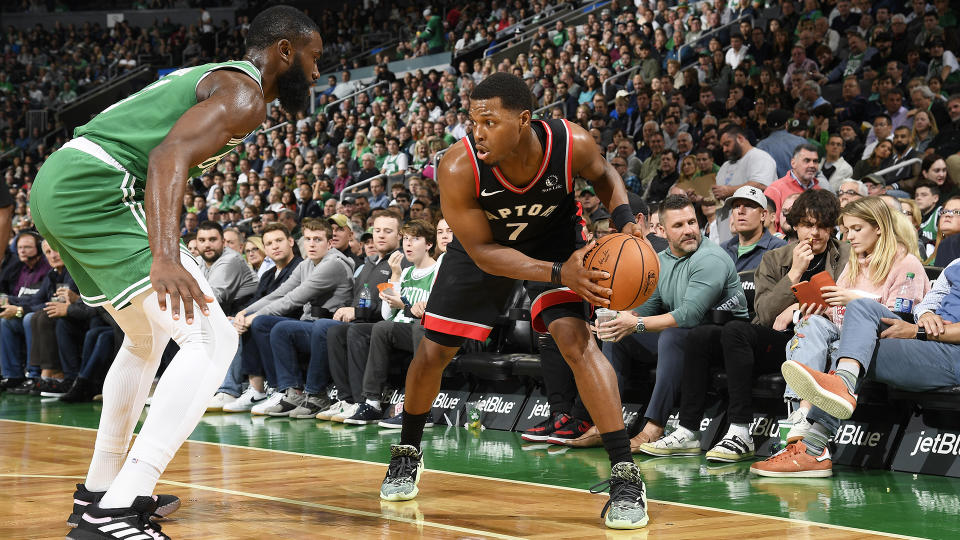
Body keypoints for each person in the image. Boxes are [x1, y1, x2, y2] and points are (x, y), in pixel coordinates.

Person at [30, 7, 323, 538]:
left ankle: (101, 489)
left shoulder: (223, 81)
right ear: (286, 51)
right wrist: (164, 256)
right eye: (314, 58)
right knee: (212, 340)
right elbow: (168, 158)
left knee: (144, 339)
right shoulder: (244, 93)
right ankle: (118, 508)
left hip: (63, 183)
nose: (318, 72)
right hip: (99, 186)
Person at [379, 73, 651, 530]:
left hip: (557, 239)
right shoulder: (457, 166)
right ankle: (407, 451)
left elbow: (605, 176)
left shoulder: (572, 143)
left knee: (577, 342)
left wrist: (623, 219)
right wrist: (555, 272)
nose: (476, 132)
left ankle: (626, 475)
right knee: (433, 353)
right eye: (472, 121)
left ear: (523, 120)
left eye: (489, 121)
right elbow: (485, 252)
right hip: (483, 251)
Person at [751, 196, 930, 477]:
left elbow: (901, 321)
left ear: (879, 228)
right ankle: (799, 414)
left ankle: (814, 437)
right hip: (843, 336)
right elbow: (837, 311)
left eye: (857, 229)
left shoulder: (906, 263)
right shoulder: (855, 261)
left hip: (883, 342)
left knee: (839, 337)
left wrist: (853, 298)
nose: (849, 237)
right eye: (846, 230)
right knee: (811, 326)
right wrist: (810, 307)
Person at [721, 186, 787, 271]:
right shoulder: (723, 249)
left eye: (749, 206)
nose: (741, 211)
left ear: (763, 215)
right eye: (736, 206)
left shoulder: (779, 249)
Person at [764, 144, 824, 230]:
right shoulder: (775, 189)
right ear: (793, 163)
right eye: (807, 160)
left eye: (815, 161)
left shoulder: (819, 191)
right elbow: (767, 226)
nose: (812, 165)